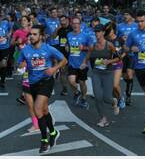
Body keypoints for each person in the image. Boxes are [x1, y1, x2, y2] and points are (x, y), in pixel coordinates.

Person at [17, 24, 67, 153]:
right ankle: (53, 132)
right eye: (31, 34)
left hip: (46, 82)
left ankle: (44, 140)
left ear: (41, 36)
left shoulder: (48, 49)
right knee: (44, 111)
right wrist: (21, 66)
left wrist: (54, 69)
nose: (32, 36)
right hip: (33, 83)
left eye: (34, 34)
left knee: (37, 109)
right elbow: (19, 65)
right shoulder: (25, 50)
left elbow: (64, 60)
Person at [82, 24, 120, 127]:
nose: (97, 34)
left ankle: (114, 101)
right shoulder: (93, 46)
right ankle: (103, 118)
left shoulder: (109, 45)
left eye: (99, 32)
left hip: (108, 73)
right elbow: (88, 56)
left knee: (107, 98)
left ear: (103, 32)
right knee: (98, 96)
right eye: (95, 32)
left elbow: (118, 58)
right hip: (96, 73)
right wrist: (84, 63)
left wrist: (109, 61)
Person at [66, 17, 92, 108]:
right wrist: (67, 47)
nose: (75, 25)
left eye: (77, 23)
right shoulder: (69, 34)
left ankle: (84, 98)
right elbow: (67, 45)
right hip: (72, 62)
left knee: (82, 83)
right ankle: (77, 93)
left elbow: (92, 48)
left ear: (80, 25)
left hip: (82, 63)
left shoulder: (86, 36)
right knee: (71, 81)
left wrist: (84, 48)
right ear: (71, 24)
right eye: (73, 23)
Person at [117, 9, 138, 106]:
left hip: (132, 54)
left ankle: (128, 95)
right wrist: (121, 39)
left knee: (129, 74)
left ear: (131, 16)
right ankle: (126, 86)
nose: (125, 16)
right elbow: (115, 38)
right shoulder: (119, 26)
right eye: (124, 14)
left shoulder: (137, 26)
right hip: (122, 54)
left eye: (127, 14)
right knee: (124, 75)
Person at [104, 22, 126, 114]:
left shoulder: (119, 39)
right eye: (107, 30)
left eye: (110, 29)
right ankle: (118, 98)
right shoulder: (104, 40)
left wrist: (121, 57)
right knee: (111, 87)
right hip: (108, 65)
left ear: (114, 30)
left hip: (118, 64)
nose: (108, 31)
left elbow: (125, 50)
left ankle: (121, 98)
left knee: (115, 85)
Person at [52, 15, 72, 96]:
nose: (62, 22)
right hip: (62, 52)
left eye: (63, 20)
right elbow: (53, 37)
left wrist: (69, 44)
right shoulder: (60, 29)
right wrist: (57, 28)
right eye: (60, 21)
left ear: (67, 20)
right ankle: (64, 89)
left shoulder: (71, 28)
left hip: (73, 53)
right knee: (63, 71)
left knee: (71, 72)